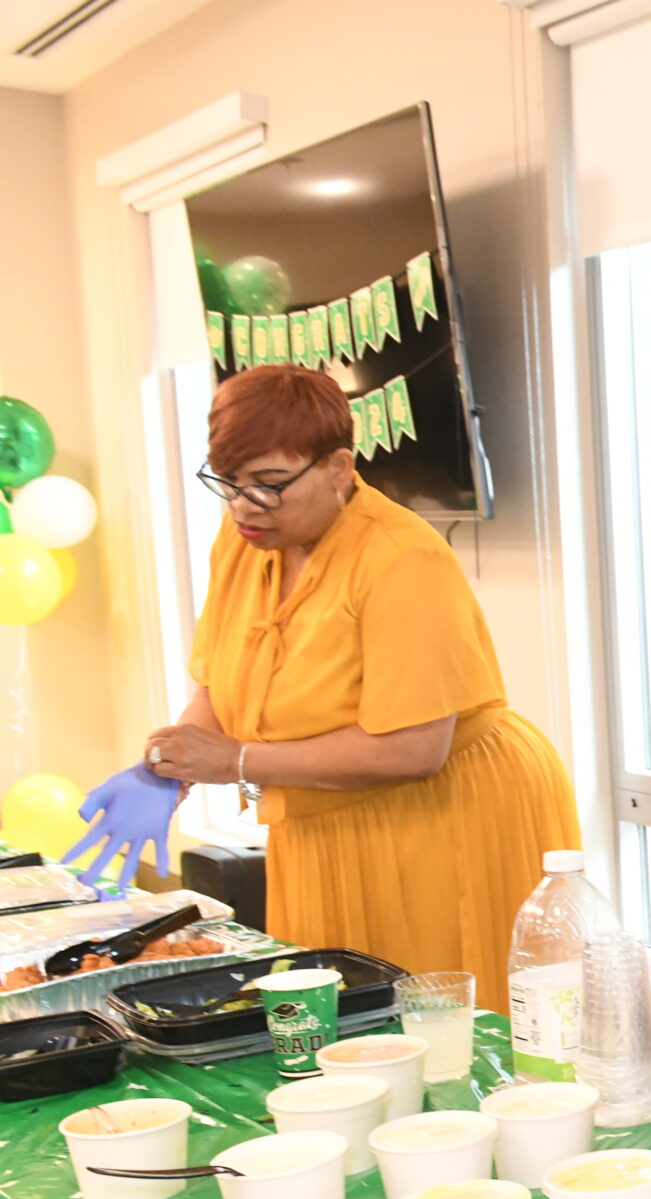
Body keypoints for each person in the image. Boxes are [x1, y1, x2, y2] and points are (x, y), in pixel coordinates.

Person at [68, 366, 578, 1001]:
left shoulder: (402, 559)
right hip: (320, 817)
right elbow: (218, 687)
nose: (243, 506)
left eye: (269, 485)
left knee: (440, 1024)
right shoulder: (244, 540)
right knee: (330, 1024)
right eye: (227, 483)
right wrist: (167, 770)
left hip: (445, 812)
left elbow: (414, 750)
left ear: (339, 467)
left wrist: (237, 761)